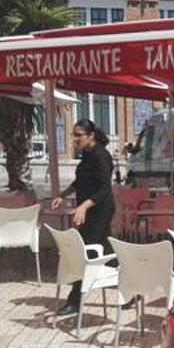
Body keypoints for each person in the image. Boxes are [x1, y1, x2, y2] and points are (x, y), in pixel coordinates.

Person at [52, 119, 117, 316]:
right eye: (74, 135)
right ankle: (132, 290)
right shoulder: (87, 156)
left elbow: (105, 188)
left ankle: (75, 300)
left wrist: (84, 206)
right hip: (89, 210)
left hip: (100, 210)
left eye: (79, 135)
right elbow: (80, 182)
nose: (75, 139)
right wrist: (62, 195)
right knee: (106, 253)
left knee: (85, 252)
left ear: (91, 136)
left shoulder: (101, 156)